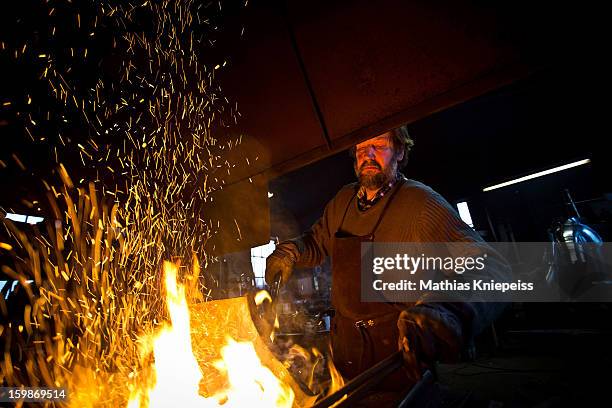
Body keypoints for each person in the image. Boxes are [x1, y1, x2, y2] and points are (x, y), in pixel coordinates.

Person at [265, 126, 509, 384]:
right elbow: (316, 241)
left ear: (400, 151)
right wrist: (290, 251)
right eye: (360, 148)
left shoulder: (420, 203)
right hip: (345, 355)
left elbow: (491, 266)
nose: (368, 155)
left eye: (379, 145)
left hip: (397, 358)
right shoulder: (343, 201)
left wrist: (447, 310)